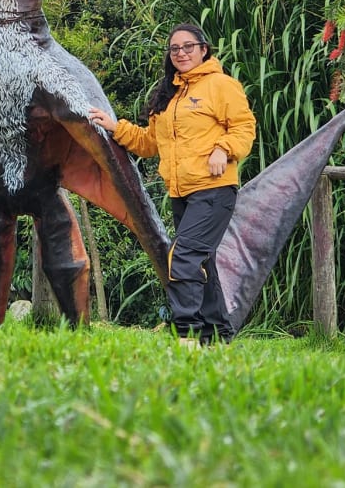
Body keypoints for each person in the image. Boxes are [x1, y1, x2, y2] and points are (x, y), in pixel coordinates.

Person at [89, 24, 255, 344]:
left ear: (204, 49)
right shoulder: (168, 93)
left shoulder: (221, 86)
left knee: (182, 258)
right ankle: (217, 337)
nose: (181, 53)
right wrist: (115, 127)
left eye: (188, 46)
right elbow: (150, 143)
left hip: (214, 189)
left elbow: (244, 128)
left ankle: (188, 336)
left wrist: (223, 149)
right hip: (181, 193)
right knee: (199, 263)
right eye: (175, 49)